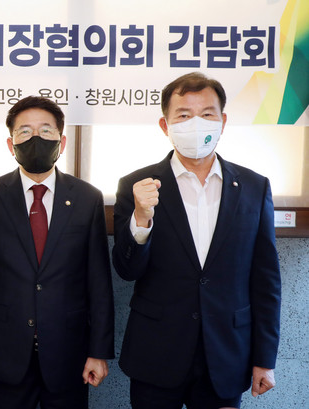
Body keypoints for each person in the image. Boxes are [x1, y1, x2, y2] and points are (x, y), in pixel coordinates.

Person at [112, 72, 282, 409]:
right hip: (156, 354)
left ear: (223, 122)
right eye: (184, 115)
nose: (196, 123)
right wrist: (141, 217)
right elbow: (127, 270)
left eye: (206, 114)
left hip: (227, 354)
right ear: (165, 125)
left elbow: (266, 281)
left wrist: (265, 358)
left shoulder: (254, 186)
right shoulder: (138, 185)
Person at [0, 96, 114, 409]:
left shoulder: (86, 197)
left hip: (68, 353)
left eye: (46, 131)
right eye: (24, 132)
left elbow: (98, 280)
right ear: (10, 144)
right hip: (5, 352)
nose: (35, 138)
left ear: (61, 142)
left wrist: (99, 351)